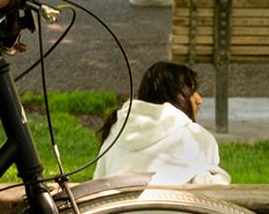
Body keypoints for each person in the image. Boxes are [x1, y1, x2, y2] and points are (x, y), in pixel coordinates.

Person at [92, 61, 229, 185]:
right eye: (192, 91)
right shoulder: (198, 138)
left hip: (117, 212)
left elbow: (98, 183)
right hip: (174, 212)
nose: (199, 99)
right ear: (177, 96)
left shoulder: (115, 133)